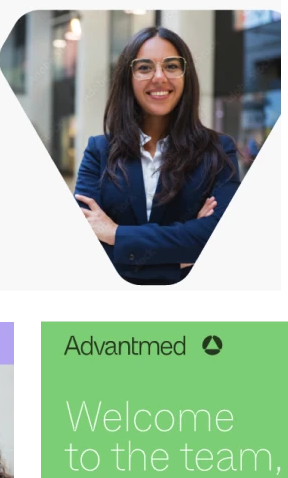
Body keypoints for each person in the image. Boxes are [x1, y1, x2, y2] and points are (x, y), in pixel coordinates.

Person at [74, 27, 241, 285]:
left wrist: (116, 234)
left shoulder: (217, 151)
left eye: (172, 66)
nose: (159, 77)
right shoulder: (99, 152)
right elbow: (83, 249)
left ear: (186, 76)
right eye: (144, 68)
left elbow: (220, 239)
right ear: (127, 78)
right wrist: (182, 257)